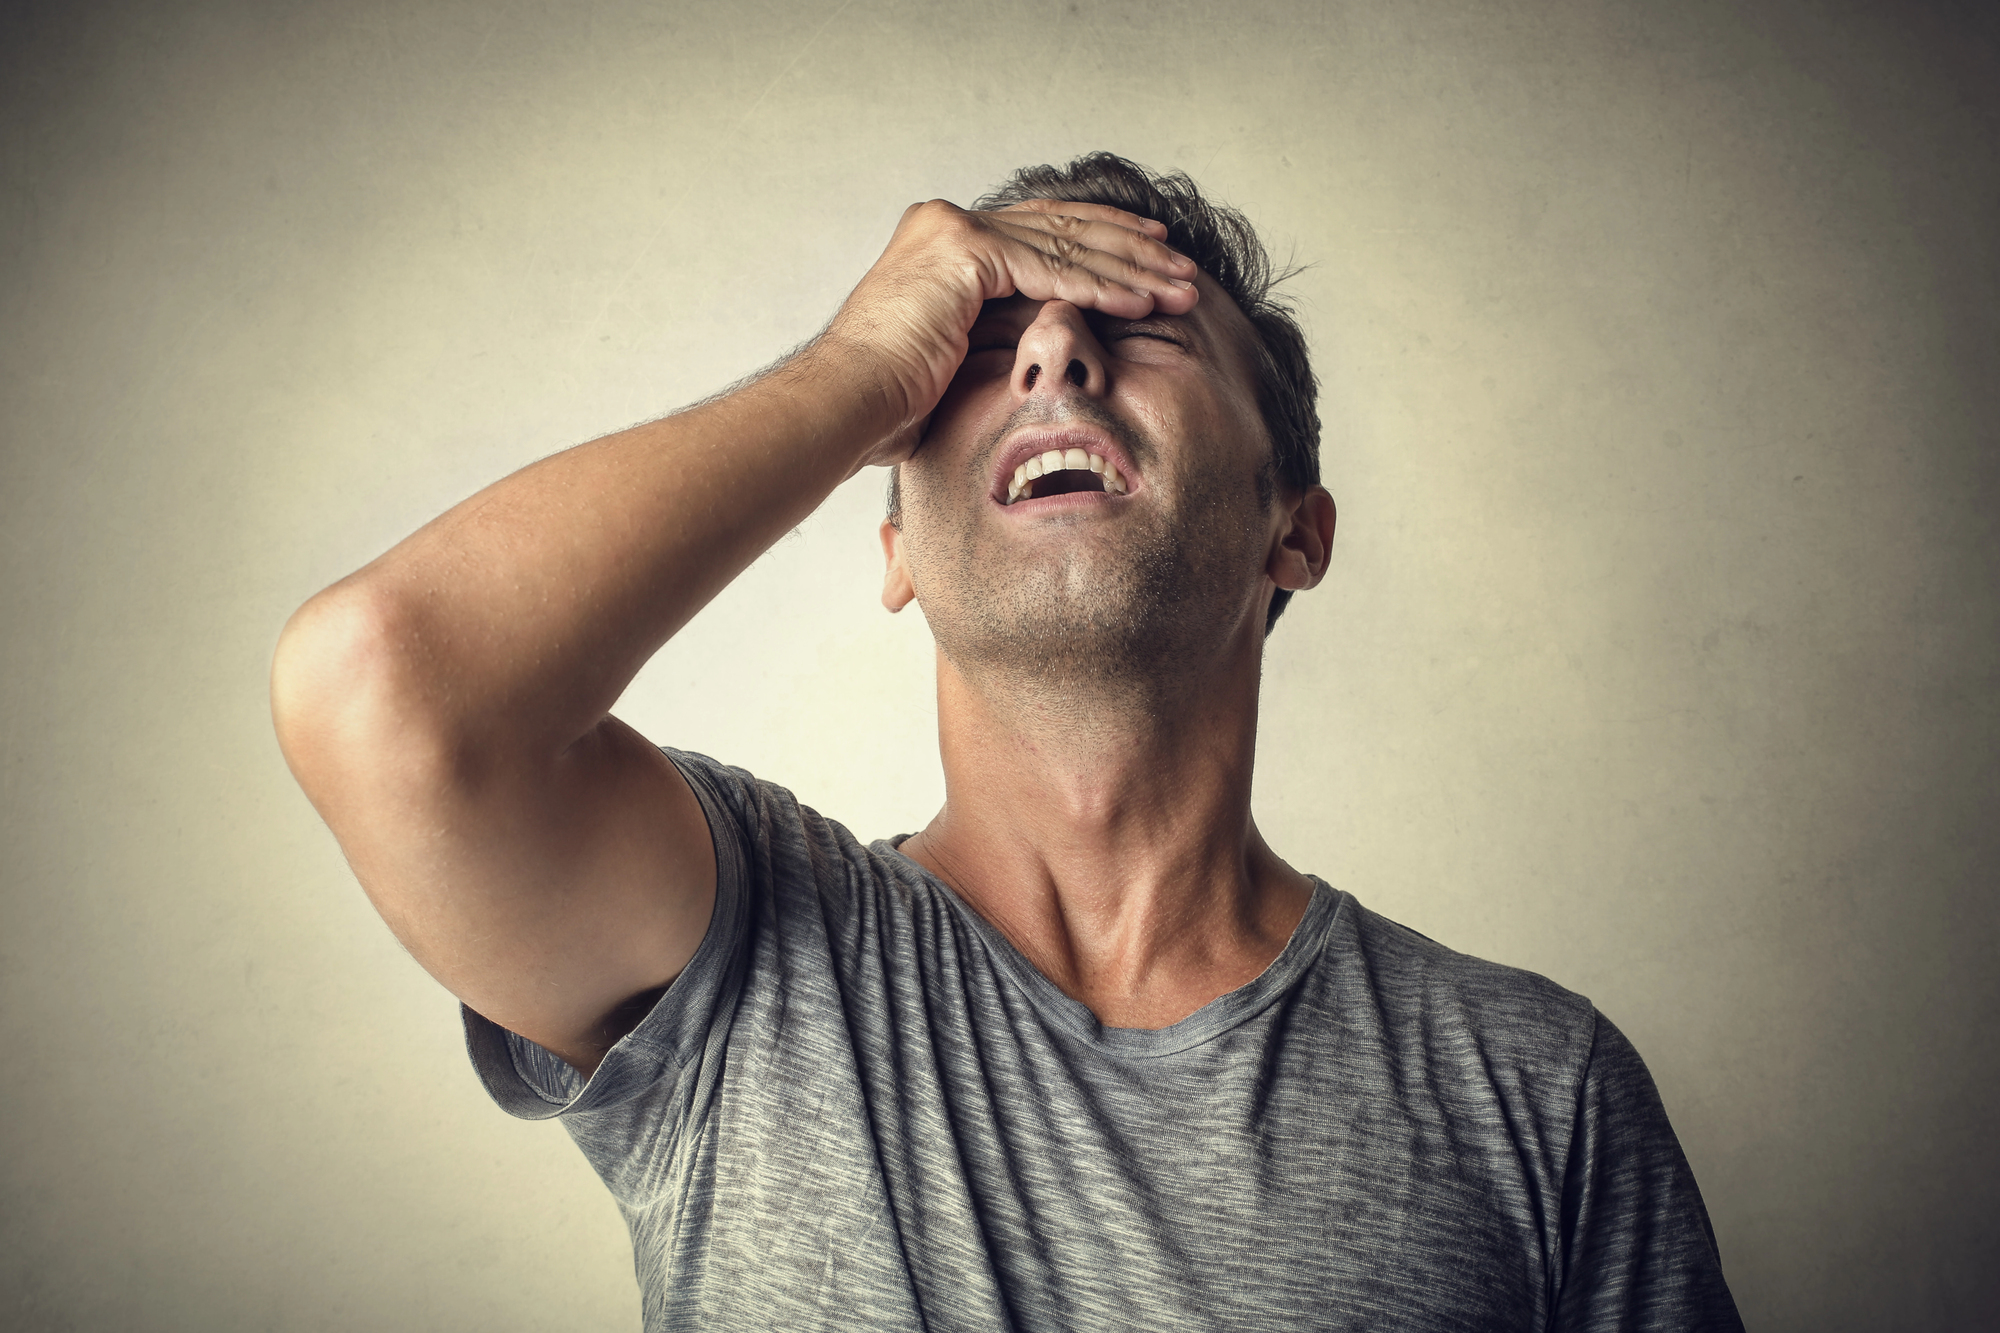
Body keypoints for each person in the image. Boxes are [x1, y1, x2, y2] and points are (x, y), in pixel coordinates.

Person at [271, 152, 1743, 1330]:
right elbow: (381, 690)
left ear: (1293, 531)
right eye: (982, 347)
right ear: (895, 543)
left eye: (1142, 326)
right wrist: (859, 363)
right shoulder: (745, 954)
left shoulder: (1537, 1087)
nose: (1052, 353)